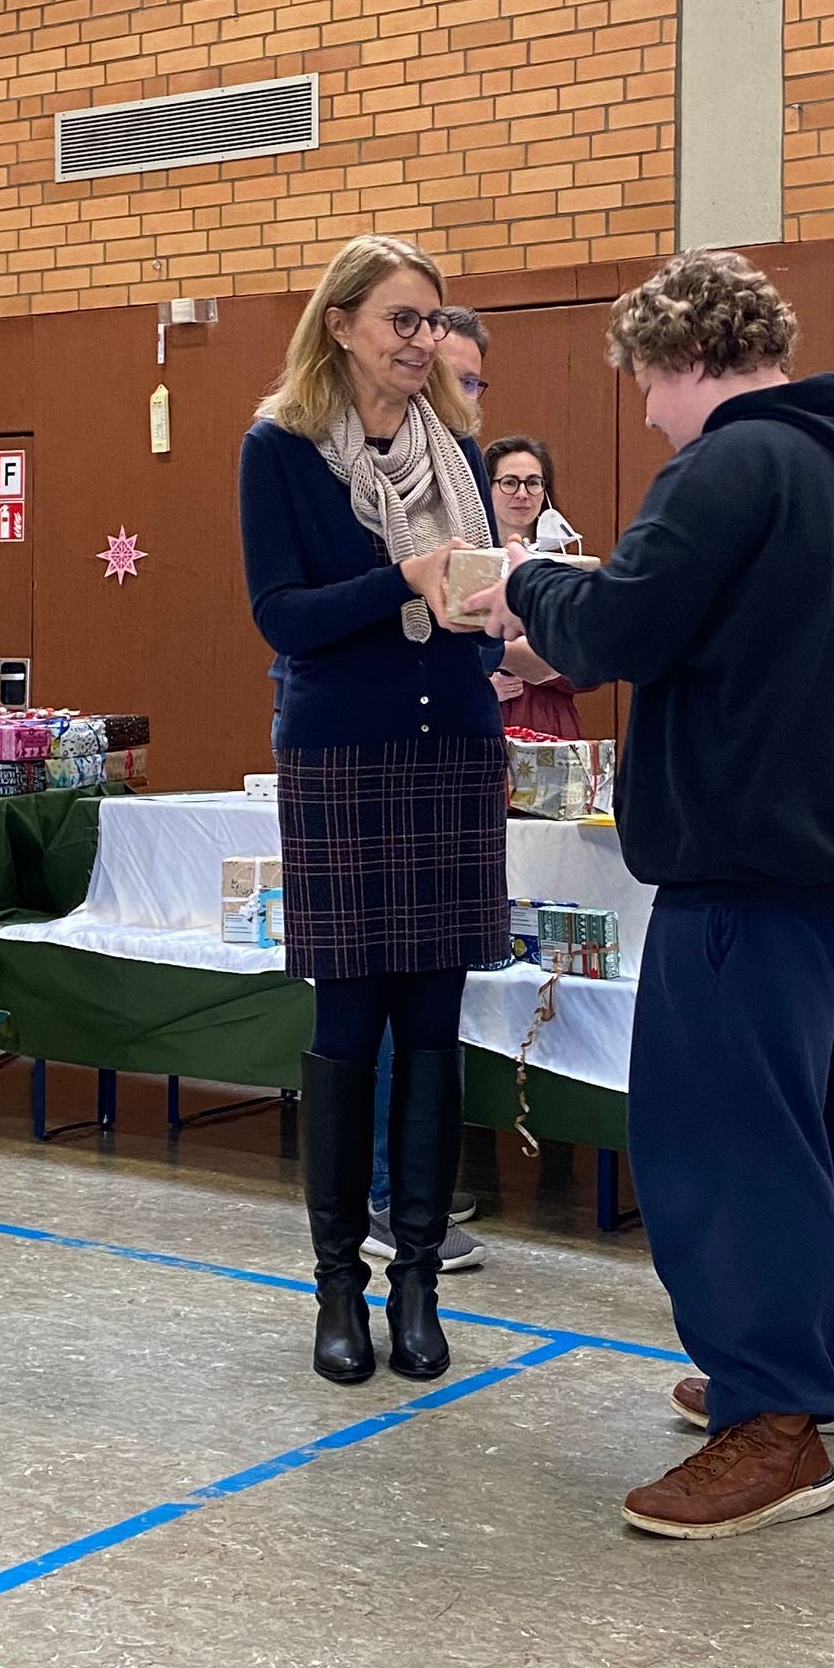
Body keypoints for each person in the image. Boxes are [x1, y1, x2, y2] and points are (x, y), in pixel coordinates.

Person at [469, 250, 834, 1541]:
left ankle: (772, 1424)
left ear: (686, 357)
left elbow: (619, 627)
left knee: (729, 1146)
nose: (645, 413)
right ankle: (827, 1364)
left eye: (645, 382)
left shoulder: (731, 465)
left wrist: (521, 580)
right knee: (823, 1130)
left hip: (759, 863)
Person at [239, 234, 509, 1387]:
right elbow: (281, 616)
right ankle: (339, 1286)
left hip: (453, 751)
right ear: (340, 323)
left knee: (436, 1027)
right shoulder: (281, 448)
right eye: (403, 318)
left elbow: (472, 597)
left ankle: (420, 1283)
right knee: (348, 1027)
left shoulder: (458, 447)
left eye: (432, 320)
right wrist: (401, 580)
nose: (422, 339)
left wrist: (494, 602)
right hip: (342, 758)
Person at [363, 299, 491, 1275]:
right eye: (455, 375)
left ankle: (421, 1195)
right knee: (374, 994)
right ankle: (380, 1196)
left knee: (436, 1003)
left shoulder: (465, 470)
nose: (463, 393)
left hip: (453, 748)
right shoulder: (335, 466)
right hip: (367, 754)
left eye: (477, 380)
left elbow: (473, 629)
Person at [482, 434, 585, 738]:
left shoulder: (570, 563)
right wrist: (480, 683)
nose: (522, 494)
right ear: (486, 488)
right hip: (482, 716)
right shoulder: (463, 562)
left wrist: (545, 660)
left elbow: (593, 662)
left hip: (549, 719)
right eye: (509, 482)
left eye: (533, 483)